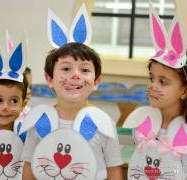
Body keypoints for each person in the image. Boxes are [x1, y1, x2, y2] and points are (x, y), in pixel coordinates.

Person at [123, 3, 187, 179]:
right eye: (151, 78)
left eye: (163, 81)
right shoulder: (144, 123)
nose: (152, 86)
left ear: (185, 91)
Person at [21, 42, 124, 180]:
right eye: (66, 68)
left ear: (96, 82)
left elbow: (113, 170)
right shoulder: (39, 120)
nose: (75, 75)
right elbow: (29, 167)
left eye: (85, 70)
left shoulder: (102, 122)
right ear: (49, 79)